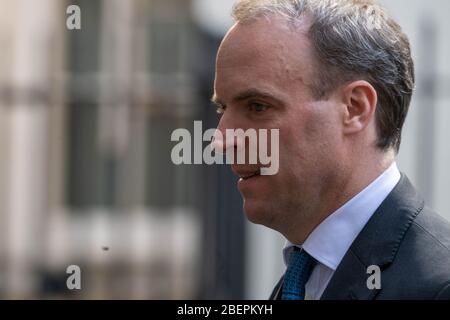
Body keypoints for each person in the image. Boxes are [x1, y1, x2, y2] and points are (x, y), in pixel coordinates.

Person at [211, 0, 450, 300]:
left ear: (355, 108)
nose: (221, 139)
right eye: (223, 107)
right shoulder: (304, 275)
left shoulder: (437, 286)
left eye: (258, 106)